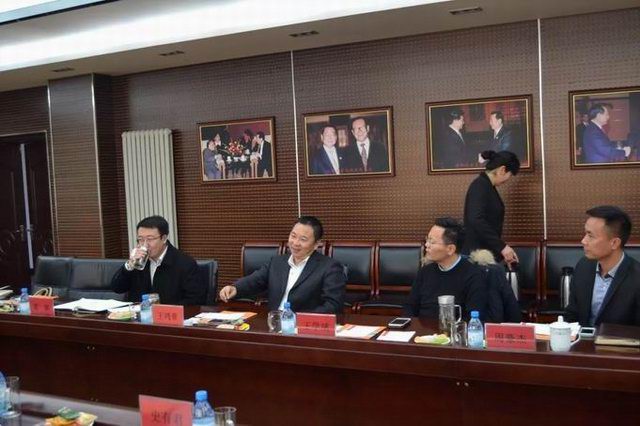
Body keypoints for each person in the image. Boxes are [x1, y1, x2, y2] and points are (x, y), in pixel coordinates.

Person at [219, 216, 345, 314]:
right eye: (293, 236)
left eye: (303, 239)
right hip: (274, 324)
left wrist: (303, 320)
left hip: (304, 329)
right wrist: (235, 288)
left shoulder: (330, 267)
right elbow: (255, 280)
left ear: (317, 244)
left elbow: (333, 305)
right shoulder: (277, 262)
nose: (295, 243)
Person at [565, 206, 640, 327]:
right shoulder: (583, 266)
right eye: (585, 234)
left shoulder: (636, 278)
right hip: (581, 338)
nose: (583, 241)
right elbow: (572, 315)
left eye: (591, 236)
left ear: (614, 243)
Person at [111, 215, 206, 305]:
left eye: (150, 239)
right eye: (140, 239)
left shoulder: (185, 263)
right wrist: (129, 265)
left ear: (164, 238)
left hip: (169, 315)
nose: (145, 245)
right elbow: (117, 288)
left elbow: (195, 299)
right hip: (139, 315)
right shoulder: (138, 262)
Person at [404, 217, 486, 320]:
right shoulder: (425, 271)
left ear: (450, 249)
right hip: (422, 329)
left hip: (454, 329)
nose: (426, 245)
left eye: (432, 242)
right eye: (427, 240)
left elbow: (473, 317)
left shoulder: (474, 275)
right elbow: (410, 307)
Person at [462, 150, 520, 267]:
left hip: (484, 255)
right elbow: (475, 220)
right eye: (510, 175)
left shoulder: (487, 186)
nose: (508, 180)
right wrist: (502, 247)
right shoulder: (480, 186)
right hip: (476, 256)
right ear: (502, 170)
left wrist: (500, 250)